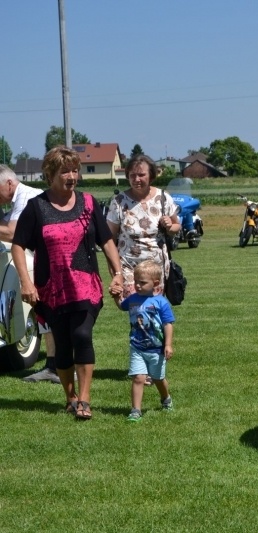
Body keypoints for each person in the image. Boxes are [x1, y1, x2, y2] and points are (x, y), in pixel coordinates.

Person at [11, 146, 124, 420]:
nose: (72, 176)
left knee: (82, 335)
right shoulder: (36, 207)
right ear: (51, 174)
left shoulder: (88, 203)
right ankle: (70, 397)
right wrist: (26, 283)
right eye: (65, 171)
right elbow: (18, 245)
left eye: (75, 170)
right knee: (62, 345)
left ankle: (85, 399)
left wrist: (118, 273)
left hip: (85, 284)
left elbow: (106, 240)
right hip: (51, 288)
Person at [0, 165, 59, 383]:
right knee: (45, 316)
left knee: (54, 315)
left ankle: (61, 366)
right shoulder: (19, 200)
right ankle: (53, 366)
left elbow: (12, 233)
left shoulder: (25, 197)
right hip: (44, 262)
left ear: (8, 184)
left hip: (53, 264)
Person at [106, 154, 180, 299]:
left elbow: (177, 226)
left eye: (141, 175)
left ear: (151, 176)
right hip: (128, 267)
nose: (136, 179)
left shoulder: (163, 198)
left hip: (156, 270)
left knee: (156, 310)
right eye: (132, 175)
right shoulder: (119, 202)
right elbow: (109, 239)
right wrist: (115, 271)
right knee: (136, 309)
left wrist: (170, 226)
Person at [112, 260, 175, 423]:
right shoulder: (133, 299)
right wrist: (116, 297)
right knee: (138, 378)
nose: (138, 285)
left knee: (158, 378)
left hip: (156, 349)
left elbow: (168, 324)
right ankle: (136, 410)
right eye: (136, 281)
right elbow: (122, 306)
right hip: (137, 347)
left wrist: (168, 344)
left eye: (142, 282)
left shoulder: (161, 302)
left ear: (154, 284)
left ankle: (166, 398)